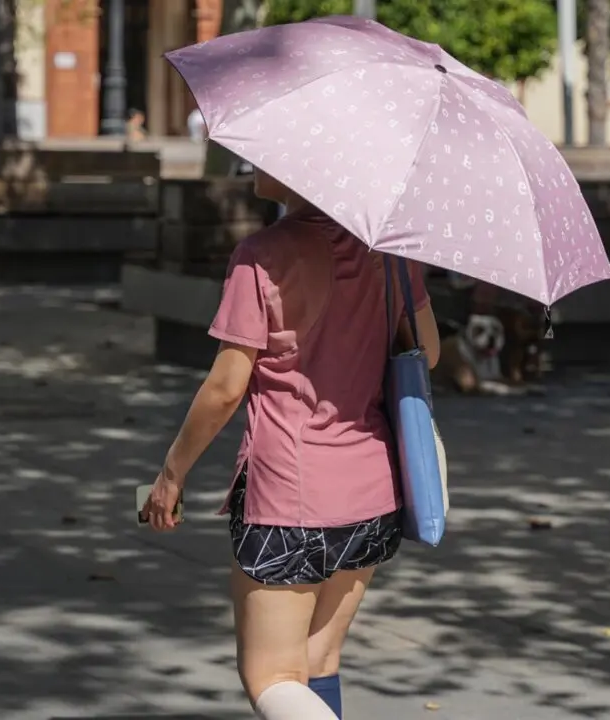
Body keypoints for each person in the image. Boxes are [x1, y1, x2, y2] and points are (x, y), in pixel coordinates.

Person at [141, 168, 440, 720]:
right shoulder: (393, 250)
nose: (250, 165)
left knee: (271, 676)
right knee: (317, 663)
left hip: (288, 495)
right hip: (373, 491)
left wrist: (172, 472)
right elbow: (430, 354)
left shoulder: (263, 256)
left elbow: (227, 386)